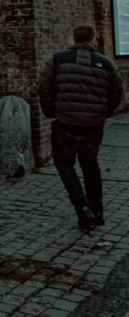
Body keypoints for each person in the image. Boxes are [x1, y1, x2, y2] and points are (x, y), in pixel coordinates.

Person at [38, 23, 122, 231]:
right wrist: (103, 113)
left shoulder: (57, 59)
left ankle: (83, 208)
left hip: (65, 123)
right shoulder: (107, 64)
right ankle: (99, 212)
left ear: (73, 39)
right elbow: (117, 93)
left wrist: (50, 111)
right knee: (90, 166)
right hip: (93, 125)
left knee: (65, 165)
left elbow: (43, 87)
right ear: (93, 40)